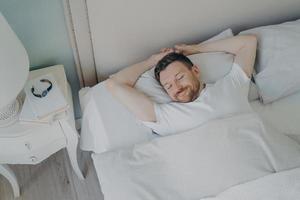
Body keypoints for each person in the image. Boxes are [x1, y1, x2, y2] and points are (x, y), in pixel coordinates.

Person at [106, 35, 257, 135]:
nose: (177, 88)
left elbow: (248, 42)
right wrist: (151, 61)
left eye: (180, 77)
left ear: (196, 71)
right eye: (168, 86)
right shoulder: (164, 116)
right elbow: (114, 84)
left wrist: (195, 49)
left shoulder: (231, 85)